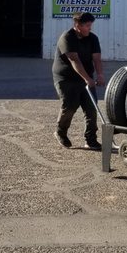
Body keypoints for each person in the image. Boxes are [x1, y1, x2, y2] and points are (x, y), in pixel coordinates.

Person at [52, 11, 105, 150]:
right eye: (87, 25)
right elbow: (74, 60)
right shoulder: (67, 38)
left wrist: (99, 75)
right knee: (70, 106)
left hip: (85, 77)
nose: (90, 28)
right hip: (66, 78)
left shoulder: (92, 38)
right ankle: (60, 132)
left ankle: (91, 139)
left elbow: (97, 58)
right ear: (77, 25)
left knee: (91, 108)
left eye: (90, 25)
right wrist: (88, 79)